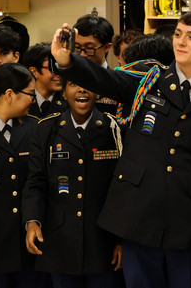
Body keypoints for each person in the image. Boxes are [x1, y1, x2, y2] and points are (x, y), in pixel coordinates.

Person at [50, 11, 191, 288]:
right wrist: (66, 60)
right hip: (138, 216)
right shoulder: (148, 79)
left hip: (188, 221)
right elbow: (106, 80)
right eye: (178, 35)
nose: (181, 42)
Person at [23, 79, 123, 288]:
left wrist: (122, 239)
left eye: (87, 83)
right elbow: (36, 181)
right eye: (72, 84)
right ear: (64, 91)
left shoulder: (113, 129)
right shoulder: (46, 129)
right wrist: (32, 221)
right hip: (60, 242)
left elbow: (122, 189)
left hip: (102, 242)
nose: (81, 89)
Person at [0, 63, 47, 288]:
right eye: (30, 94)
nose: (33, 100)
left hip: (28, 250)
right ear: (10, 94)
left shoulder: (34, 129)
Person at [71, 14, 117, 114]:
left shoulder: (116, 84)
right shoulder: (68, 80)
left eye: (89, 49)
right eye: (77, 48)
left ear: (107, 47)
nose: (82, 55)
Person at [23, 43, 67, 119]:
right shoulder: (21, 101)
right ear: (34, 71)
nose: (59, 73)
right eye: (53, 68)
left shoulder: (68, 102)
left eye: (61, 67)